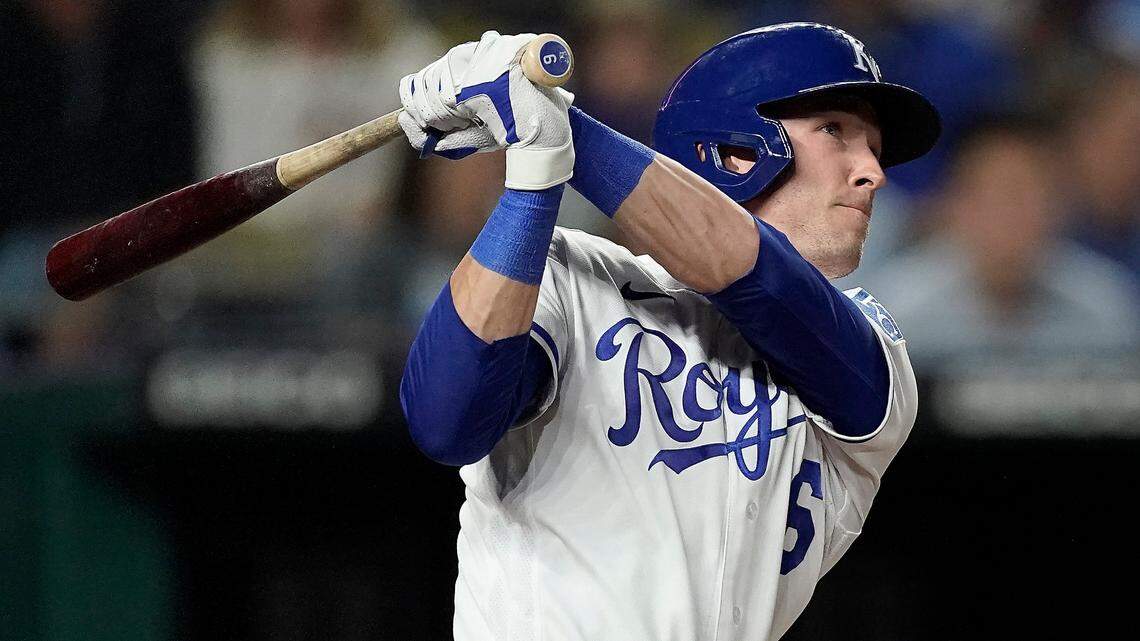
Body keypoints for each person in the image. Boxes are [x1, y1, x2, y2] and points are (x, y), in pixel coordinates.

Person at [398, 23, 939, 640]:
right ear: (736, 150)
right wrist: (531, 181)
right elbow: (446, 419)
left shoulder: (872, 348)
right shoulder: (573, 274)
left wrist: (556, 128)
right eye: (835, 131)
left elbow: (757, 276)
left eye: (874, 146)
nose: (873, 171)